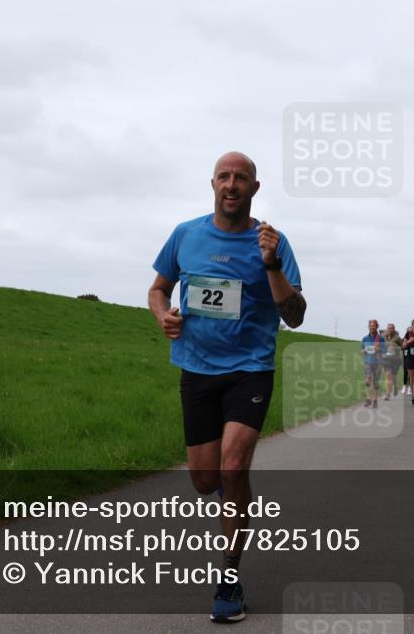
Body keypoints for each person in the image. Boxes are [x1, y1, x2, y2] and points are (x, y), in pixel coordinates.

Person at [148, 151, 306, 623]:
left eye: (242, 178)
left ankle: (230, 579)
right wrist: (162, 315)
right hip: (196, 369)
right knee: (205, 481)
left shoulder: (272, 243)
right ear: (212, 184)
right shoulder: (185, 235)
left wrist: (272, 264)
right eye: (224, 176)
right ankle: (232, 507)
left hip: (249, 369)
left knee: (233, 469)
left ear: (255, 189)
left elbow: (294, 316)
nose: (232, 184)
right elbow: (158, 288)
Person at [361, 319, 385, 408]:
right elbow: (362, 350)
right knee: (367, 380)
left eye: (373, 326)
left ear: (376, 327)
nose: (372, 327)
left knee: (375, 382)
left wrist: (378, 349)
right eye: (370, 326)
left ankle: (375, 400)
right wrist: (365, 350)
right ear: (368, 327)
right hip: (368, 362)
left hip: (378, 363)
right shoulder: (365, 338)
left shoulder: (381, 338)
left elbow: (385, 350)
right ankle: (368, 399)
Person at [382, 323, 402, 400]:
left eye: (391, 328)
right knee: (388, 376)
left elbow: (402, 347)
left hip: (396, 360)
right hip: (386, 359)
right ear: (387, 329)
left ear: (394, 329)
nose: (390, 329)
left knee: (393, 377)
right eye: (389, 328)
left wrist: (396, 348)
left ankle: (395, 387)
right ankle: (387, 394)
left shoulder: (397, 338)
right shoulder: (383, 337)